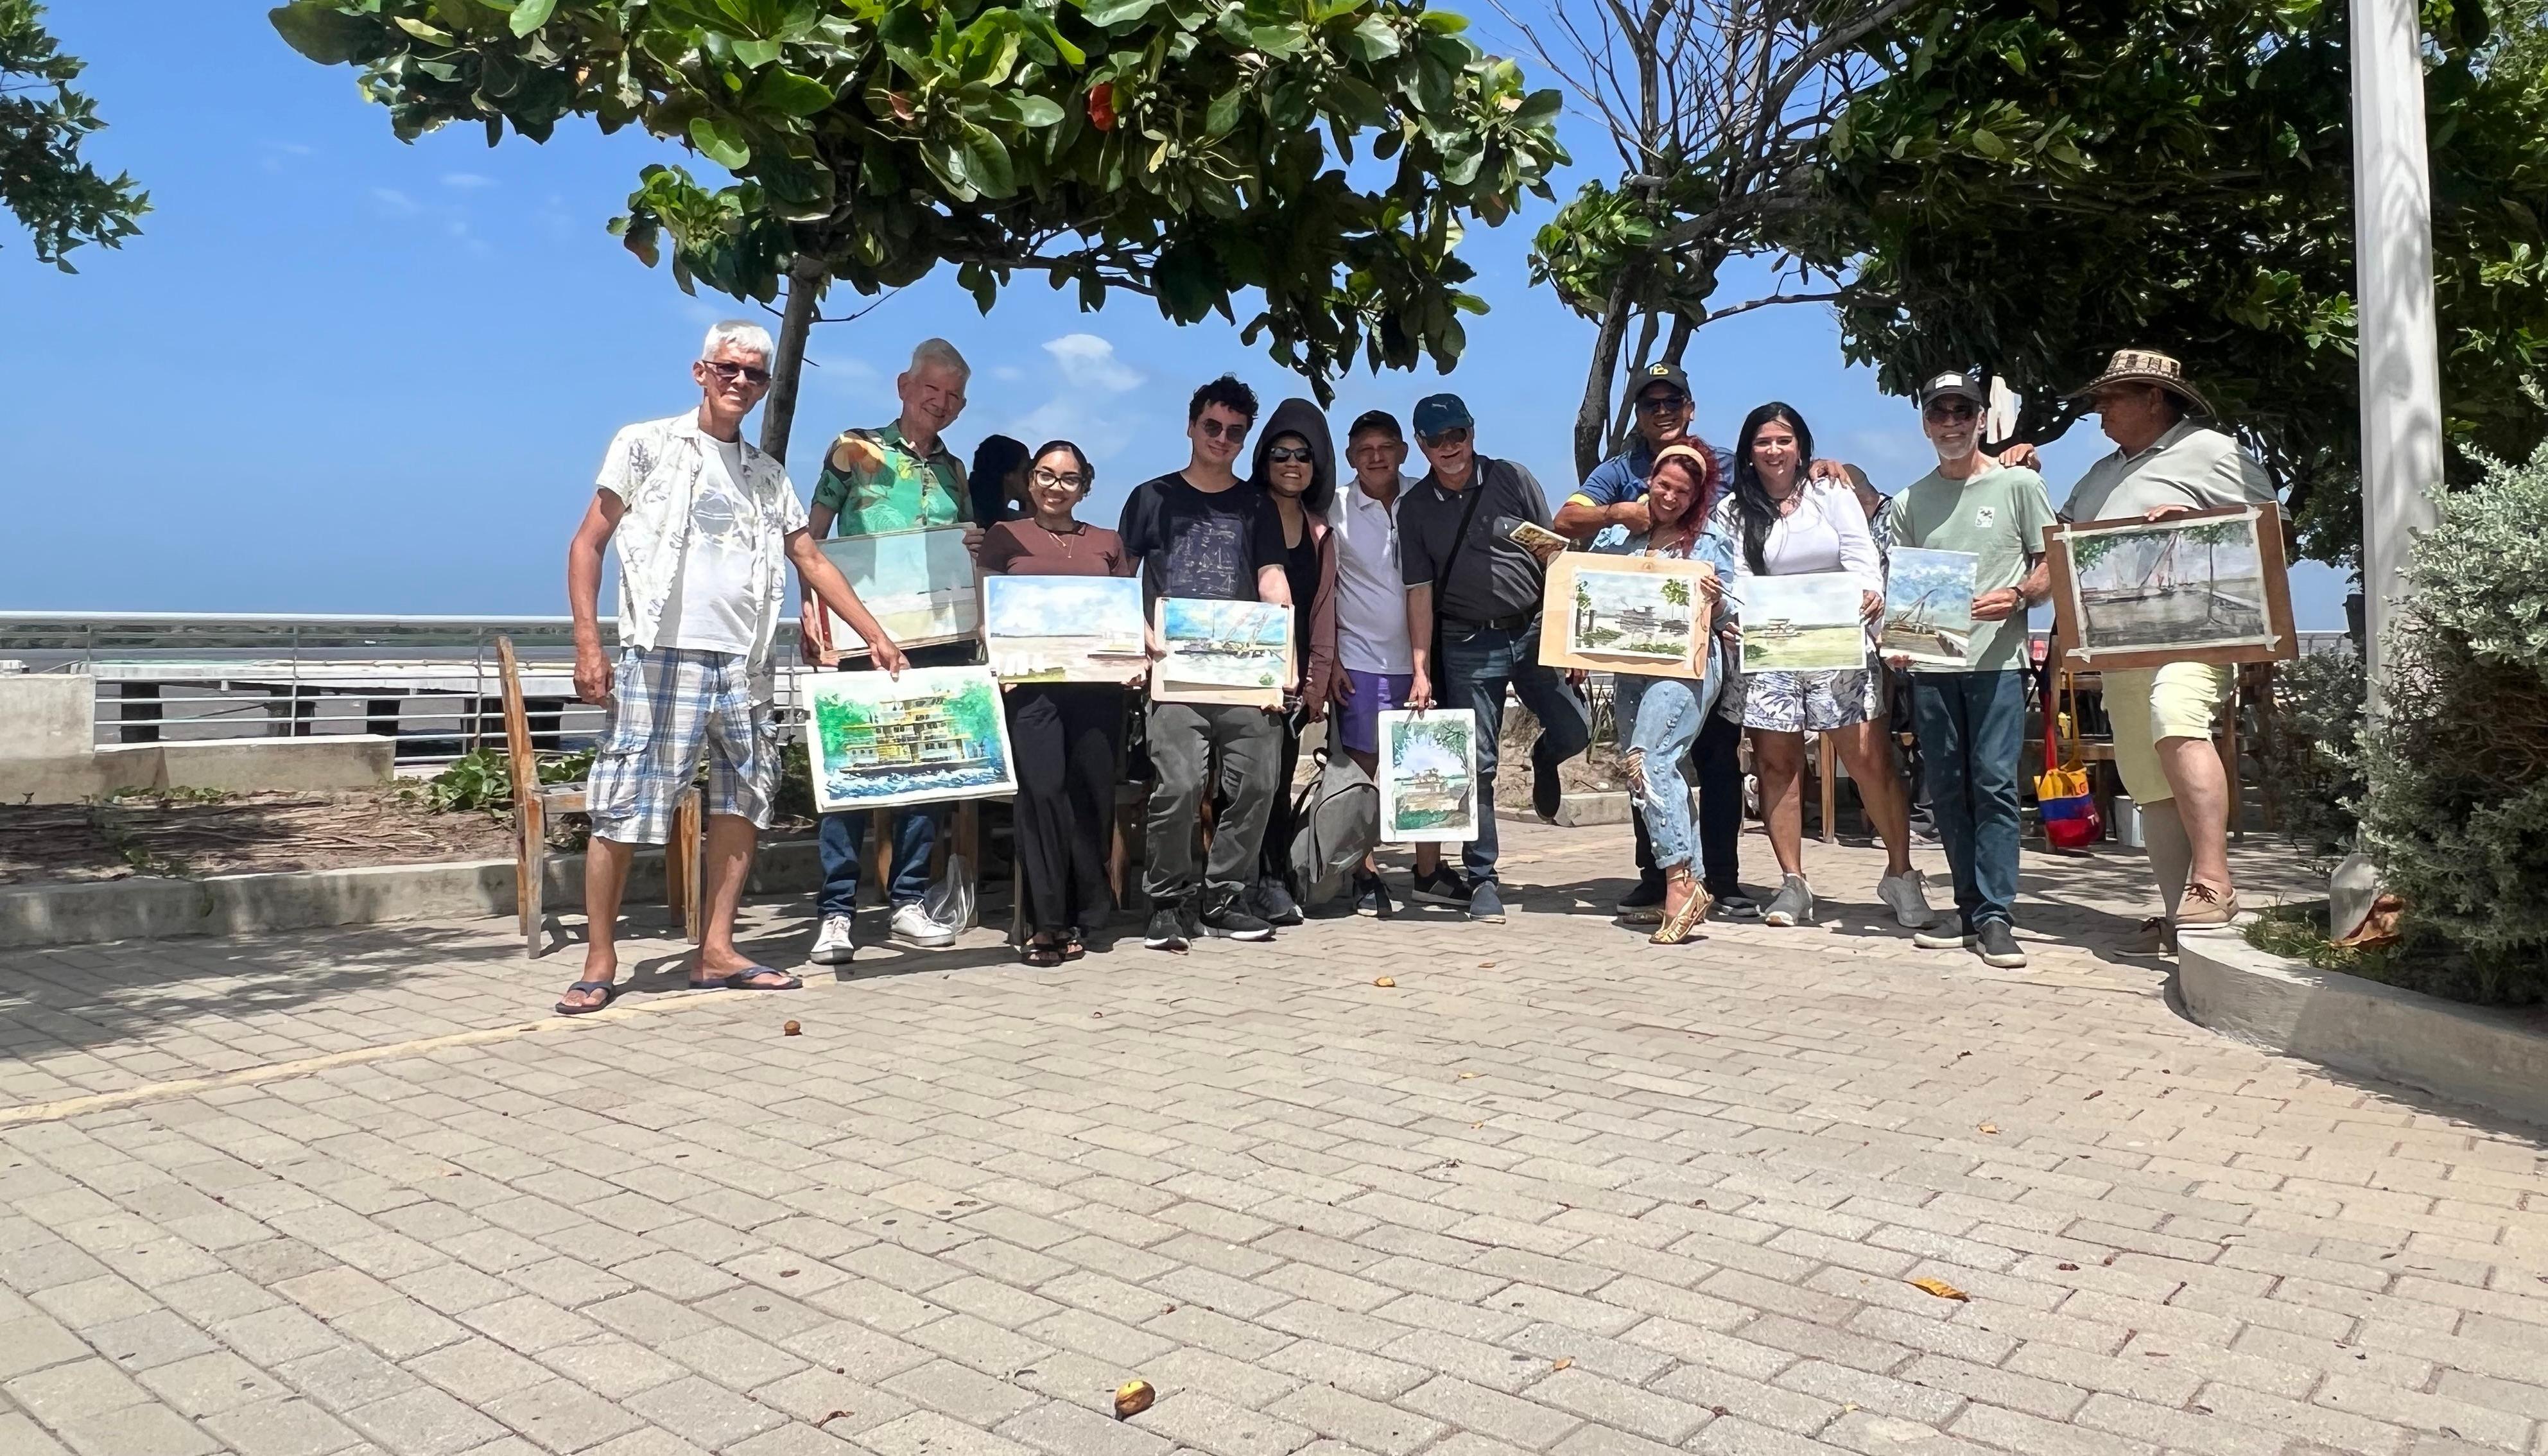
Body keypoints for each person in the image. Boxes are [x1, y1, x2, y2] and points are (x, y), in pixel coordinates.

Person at [557, 321, 908, 1015]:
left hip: (745, 662)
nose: (740, 383)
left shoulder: (766, 474)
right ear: (701, 370)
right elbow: (587, 544)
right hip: (660, 652)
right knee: (623, 806)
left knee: (742, 803)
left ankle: (716, 950)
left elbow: (809, 558)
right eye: (729, 369)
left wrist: (876, 635)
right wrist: (588, 645)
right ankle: (600, 960)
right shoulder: (645, 445)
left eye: (754, 374)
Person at [2003, 349, 2281, 943]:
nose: (2098, 410)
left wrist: (2197, 522)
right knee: (2144, 774)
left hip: (2198, 634)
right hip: (2120, 645)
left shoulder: (2212, 451)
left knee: (2175, 717)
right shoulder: (2101, 473)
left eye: (2110, 398)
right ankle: (2180, 911)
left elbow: (2273, 526)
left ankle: (2214, 880)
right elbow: (2062, 552)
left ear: (2153, 398)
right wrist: (2016, 590)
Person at [1715, 401, 1931, 930]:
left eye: (1783, 441)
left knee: (1868, 760)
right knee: (1776, 765)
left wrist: (1871, 596)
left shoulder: (1830, 492)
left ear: (1801, 446)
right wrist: (1734, 617)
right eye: (1763, 442)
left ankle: (1901, 875)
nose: (1773, 451)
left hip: (1839, 644)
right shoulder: (1731, 511)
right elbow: (1733, 580)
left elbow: (1862, 558)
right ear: (1748, 451)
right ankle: (1793, 883)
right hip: (1770, 651)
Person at [1552, 363, 1757, 921]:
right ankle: (1666, 880)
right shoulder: (1621, 506)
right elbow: (1570, 528)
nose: (1662, 411)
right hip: (1633, 665)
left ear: (1690, 407)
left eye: (1673, 402)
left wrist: (1834, 470)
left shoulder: (1718, 500)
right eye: (1650, 404)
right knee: (1641, 765)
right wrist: (1619, 513)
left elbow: (1784, 471)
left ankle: (1703, 880)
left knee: (1684, 764)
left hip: (1691, 665)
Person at [800, 338, 975, 965]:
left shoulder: (956, 471)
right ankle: (836, 914)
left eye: (954, 397)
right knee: (851, 779)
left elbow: (967, 552)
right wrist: (810, 612)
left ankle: (907, 902)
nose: (942, 404)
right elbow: (812, 541)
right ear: (904, 386)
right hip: (856, 639)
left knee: (925, 780)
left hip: (937, 643)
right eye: (933, 390)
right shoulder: (855, 448)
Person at [1883, 372, 2056, 969]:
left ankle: (1996, 915)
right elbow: (1903, 587)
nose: (1951, 422)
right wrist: (1898, 642)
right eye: (1939, 413)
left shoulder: (2018, 486)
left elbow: (2050, 565)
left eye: (1962, 411)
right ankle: (1965, 904)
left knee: (1995, 784)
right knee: (1947, 789)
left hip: (1997, 664)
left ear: (1981, 419)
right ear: (1925, 423)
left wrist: (2018, 596)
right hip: (1932, 667)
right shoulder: (1908, 502)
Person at [1118, 376, 1294, 951]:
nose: (1222, 438)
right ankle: (1167, 903)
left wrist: (1283, 650)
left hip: (1246, 670)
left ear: (1244, 439)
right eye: (1212, 426)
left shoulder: (1256, 505)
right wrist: (1139, 633)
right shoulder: (1150, 498)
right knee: (1179, 783)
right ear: (1191, 426)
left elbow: (1271, 578)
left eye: (1235, 432)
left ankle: (1223, 897)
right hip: (1173, 672)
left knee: (1259, 782)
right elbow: (1121, 581)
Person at [1401, 393, 1589, 924]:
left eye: (1455, 435)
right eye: (1435, 440)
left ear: (1472, 432)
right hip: (1466, 644)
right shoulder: (1414, 509)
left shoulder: (1512, 477)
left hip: (1531, 629)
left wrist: (1567, 635)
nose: (1448, 448)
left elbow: (1555, 553)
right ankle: (1483, 878)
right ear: (1420, 445)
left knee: (1575, 731)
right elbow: (1417, 591)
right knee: (1476, 766)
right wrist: (1419, 669)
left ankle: (1546, 757)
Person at [978, 440, 1135, 965]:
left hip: (1098, 689)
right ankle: (1047, 923)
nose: (1055, 487)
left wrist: (1136, 659)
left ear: (1084, 487)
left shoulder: (1108, 542)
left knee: (1090, 799)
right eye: (1045, 475)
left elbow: (1123, 614)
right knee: (1042, 794)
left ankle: (1088, 916)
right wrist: (994, 662)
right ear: (1029, 481)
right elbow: (987, 610)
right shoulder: (1004, 537)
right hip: (1032, 691)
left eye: (1068, 479)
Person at [1593, 443, 1737, 945]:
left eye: (1683, 490)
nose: (1671, 496)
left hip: (1687, 666)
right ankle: (1690, 880)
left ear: (1697, 495)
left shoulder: (1710, 541)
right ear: (1649, 480)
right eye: (1664, 485)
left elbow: (1730, 615)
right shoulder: (1619, 536)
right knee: (1650, 771)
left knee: (1648, 761)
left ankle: (1679, 884)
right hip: (1628, 665)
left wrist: (1718, 603)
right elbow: (1589, 589)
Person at [1326, 410, 1447, 916]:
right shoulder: (1332, 508)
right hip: (1362, 656)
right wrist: (1329, 658)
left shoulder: (1427, 497)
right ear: (1352, 457)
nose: (1375, 457)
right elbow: (1321, 588)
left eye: (1385, 447)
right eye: (1364, 450)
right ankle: (1364, 871)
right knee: (1365, 768)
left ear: (1402, 451)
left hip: (1428, 657)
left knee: (1429, 765)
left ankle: (1428, 873)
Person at [1247, 399, 1341, 925]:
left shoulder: (1320, 531)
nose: (1290, 463)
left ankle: (1272, 880)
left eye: (1302, 455)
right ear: (1263, 457)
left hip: (1293, 683)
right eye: (1280, 452)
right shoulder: (1240, 511)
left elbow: (1322, 613)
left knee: (1278, 781)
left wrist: (1315, 686)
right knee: (1243, 788)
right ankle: (1235, 884)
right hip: (1240, 677)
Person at [969, 434, 1031, 525]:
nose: (1031, 477)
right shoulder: (974, 517)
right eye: (1026, 470)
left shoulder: (967, 506)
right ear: (1008, 474)